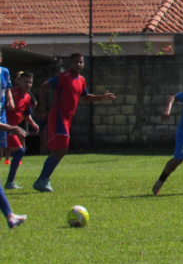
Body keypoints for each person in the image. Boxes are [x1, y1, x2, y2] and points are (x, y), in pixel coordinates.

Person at [33, 53, 115, 193]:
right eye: (76, 62)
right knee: (63, 148)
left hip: (68, 118)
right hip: (59, 116)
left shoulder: (81, 80)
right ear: (70, 63)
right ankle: (43, 179)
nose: (79, 64)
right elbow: (44, 86)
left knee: (57, 150)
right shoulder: (62, 77)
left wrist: (101, 97)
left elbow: (85, 97)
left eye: (81, 62)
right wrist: (41, 107)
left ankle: (42, 180)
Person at [5, 72, 39, 190]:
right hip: (4, 128)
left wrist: (33, 123)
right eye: (25, 82)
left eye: (30, 82)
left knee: (20, 151)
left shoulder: (28, 97)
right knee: (19, 151)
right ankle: (9, 182)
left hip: (11, 130)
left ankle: (10, 182)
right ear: (18, 81)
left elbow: (26, 114)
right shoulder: (11, 94)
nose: (28, 85)